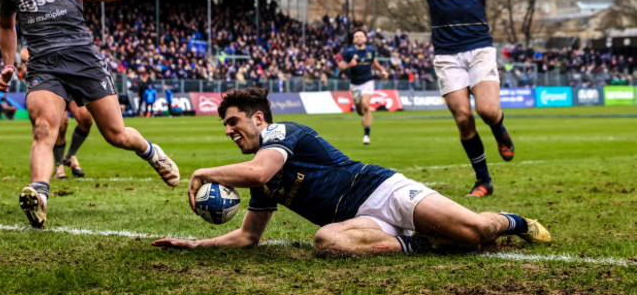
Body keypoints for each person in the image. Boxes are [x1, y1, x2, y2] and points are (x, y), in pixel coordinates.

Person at [152, 87, 550, 255]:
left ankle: (517, 222)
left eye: (234, 121)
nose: (228, 130)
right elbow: (248, 236)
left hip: (383, 192)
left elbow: (257, 172)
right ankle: (424, 244)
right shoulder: (263, 179)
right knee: (327, 243)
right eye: (224, 125)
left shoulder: (283, 132)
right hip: (361, 224)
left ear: (258, 119)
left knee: (476, 233)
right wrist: (196, 245)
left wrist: (205, 171)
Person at [0, 0, 180, 229]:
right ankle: (39, 195)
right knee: (43, 128)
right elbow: (5, 23)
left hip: (82, 57)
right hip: (43, 63)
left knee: (116, 135)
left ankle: (151, 152)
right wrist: (9, 64)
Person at [351, 0, 521, 197]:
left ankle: (499, 129)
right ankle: (483, 181)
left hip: (479, 48)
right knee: (463, 118)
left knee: (488, 111)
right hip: (446, 55)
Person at [20, 47, 91, 179]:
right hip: (53, 80)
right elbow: (24, 52)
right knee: (61, 123)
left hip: (73, 77)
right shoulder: (41, 29)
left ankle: (69, 156)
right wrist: (42, 61)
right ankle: (59, 166)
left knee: (85, 119)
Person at [338, 29, 388, 145]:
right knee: (361, 111)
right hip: (355, 84)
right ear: (354, 40)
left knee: (366, 105)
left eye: (361, 36)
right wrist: (349, 65)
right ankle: (365, 118)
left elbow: (373, 62)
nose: (359, 37)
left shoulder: (370, 50)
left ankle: (366, 135)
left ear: (365, 38)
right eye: (356, 36)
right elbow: (341, 67)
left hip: (368, 81)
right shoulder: (348, 52)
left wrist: (382, 71)